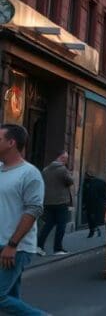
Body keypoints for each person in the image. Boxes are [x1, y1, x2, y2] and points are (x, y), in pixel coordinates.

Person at [0, 123, 47, 315]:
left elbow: (33, 210)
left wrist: (12, 245)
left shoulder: (29, 173)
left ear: (11, 143)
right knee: (11, 297)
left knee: (1, 297)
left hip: (15, 247)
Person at [36, 150, 73, 256]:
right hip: (61, 201)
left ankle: (39, 245)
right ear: (60, 158)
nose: (66, 161)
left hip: (48, 202)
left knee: (49, 224)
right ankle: (58, 248)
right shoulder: (62, 169)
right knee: (61, 225)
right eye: (65, 158)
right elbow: (70, 181)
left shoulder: (45, 170)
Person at [81, 170, 106, 238]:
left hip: (91, 203)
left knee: (91, 218)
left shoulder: (88, 183)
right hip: (100, 204)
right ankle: (97, 231)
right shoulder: (102, 182)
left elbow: (88, 195)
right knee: (98, 218)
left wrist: (84, 204)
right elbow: (105, 194)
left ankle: (93, 231)